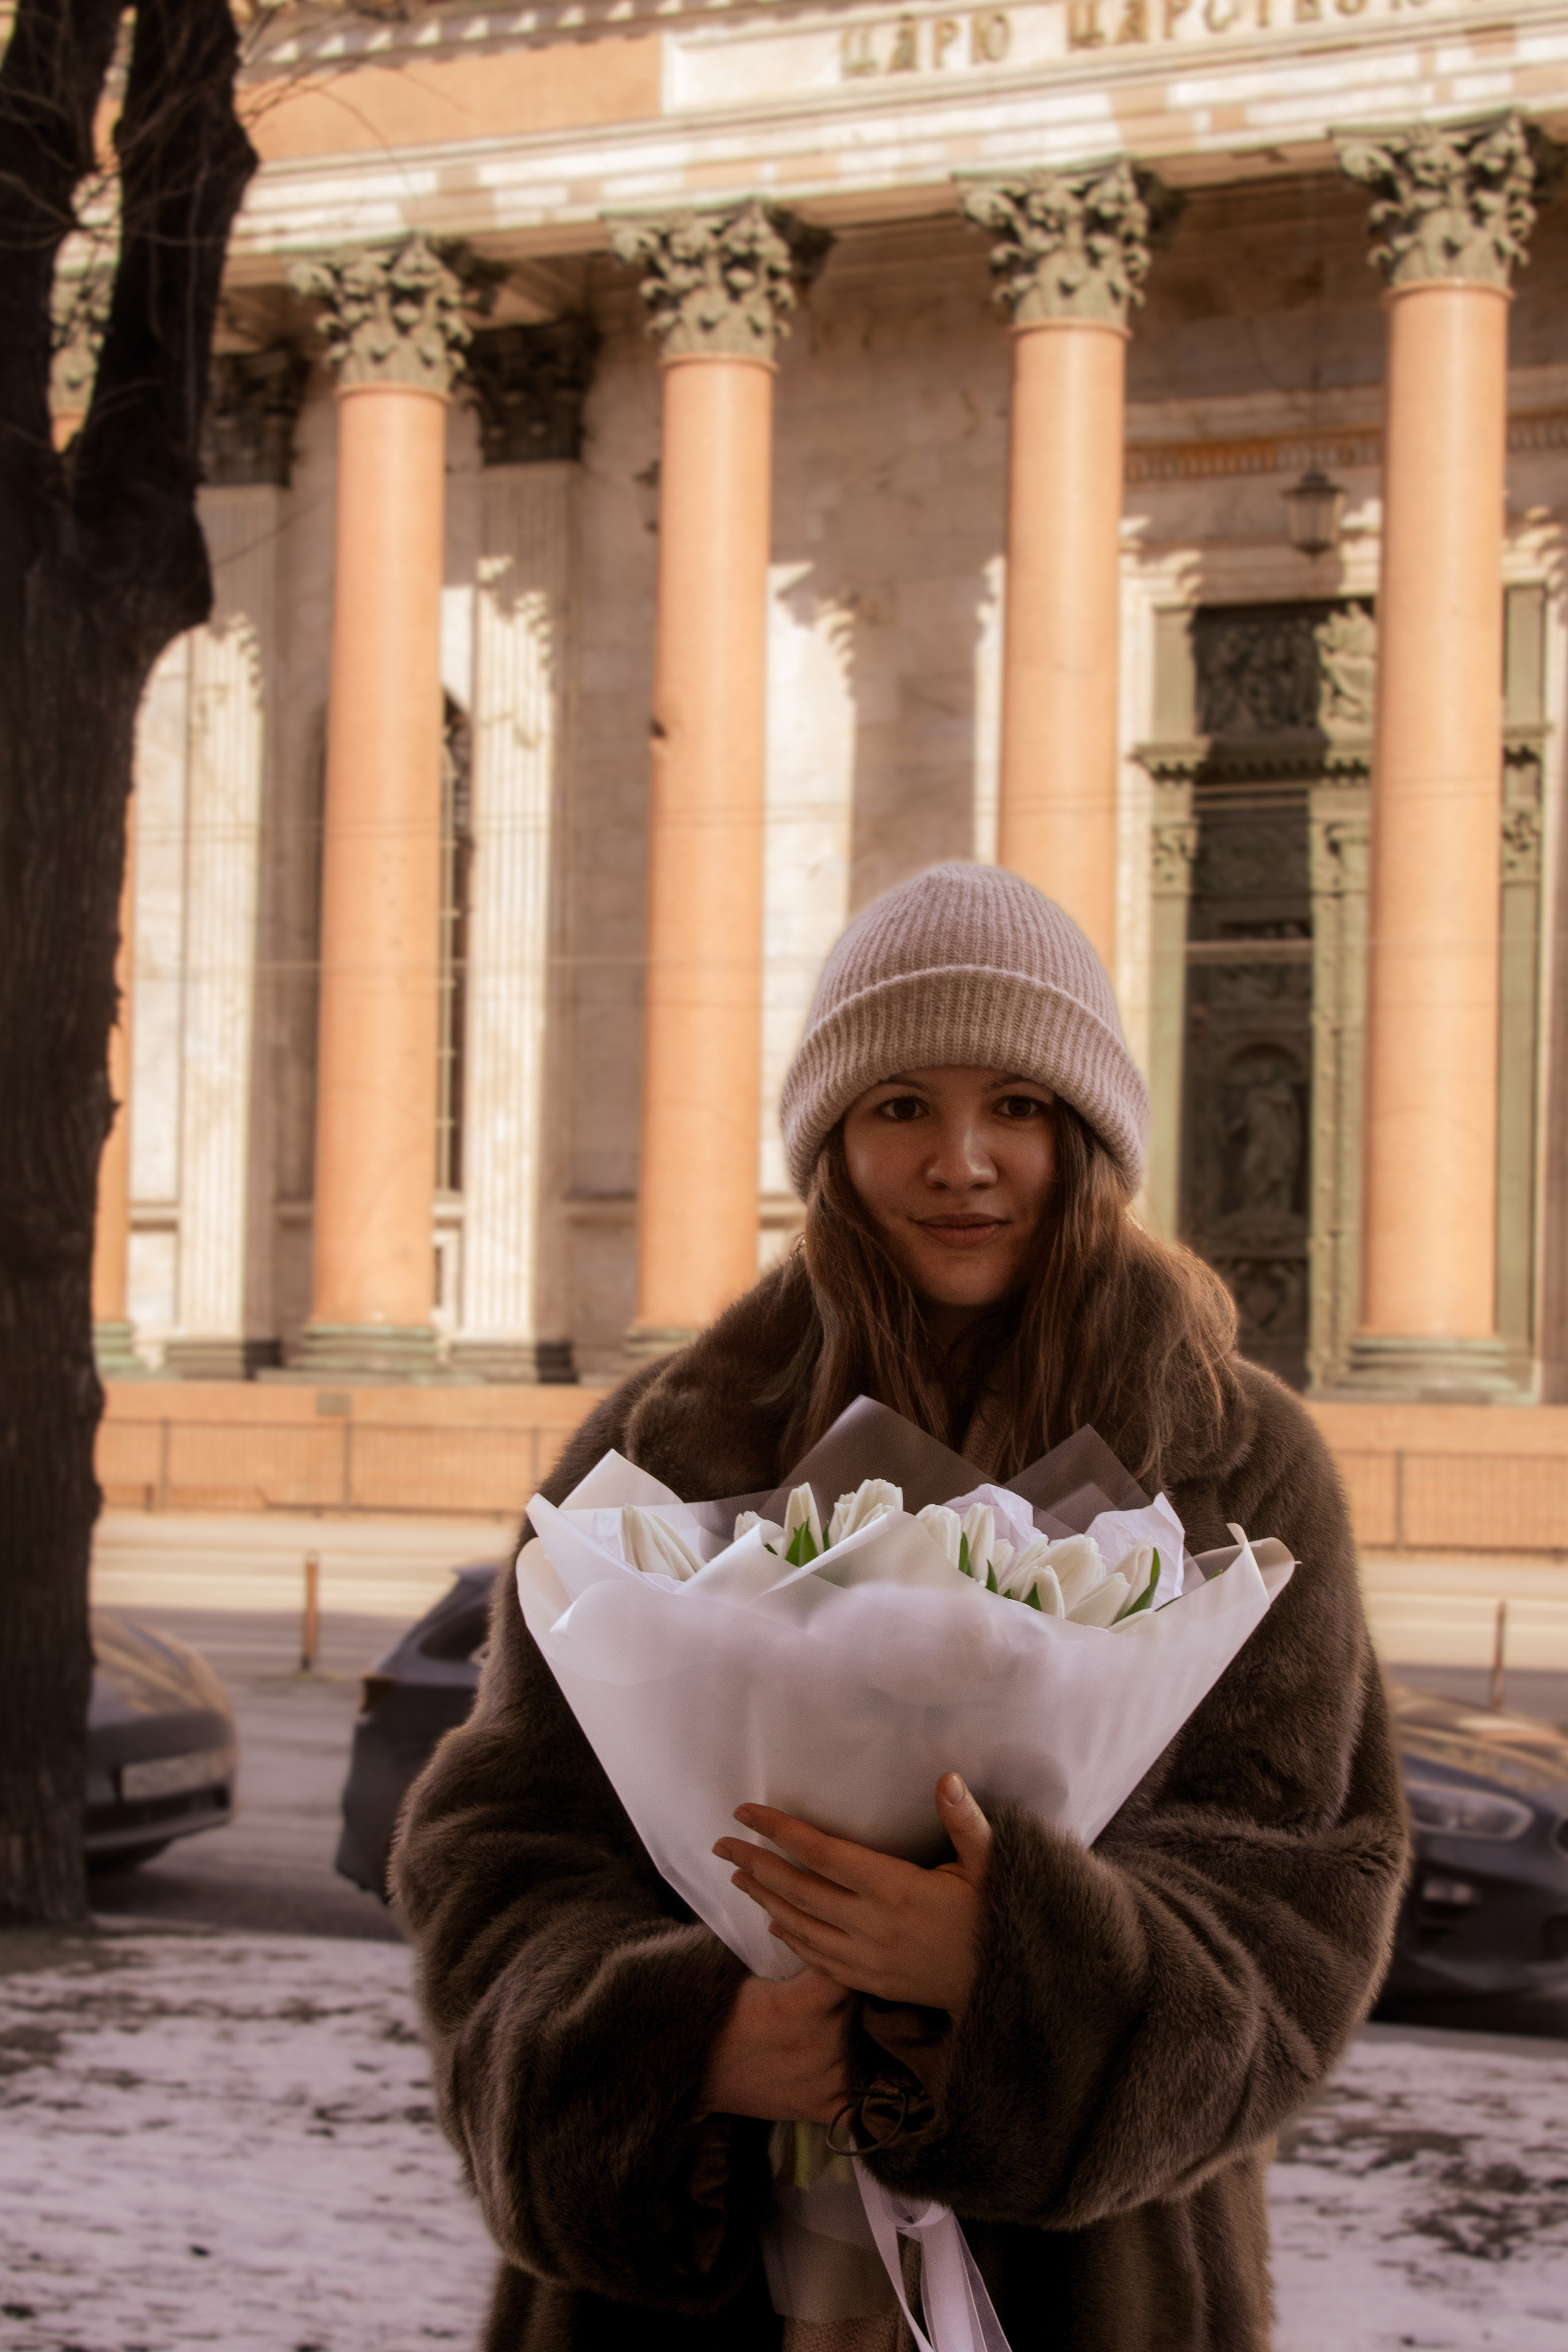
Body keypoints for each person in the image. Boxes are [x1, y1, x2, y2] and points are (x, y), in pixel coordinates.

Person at [394, 862, 1407, 2352]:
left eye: (1014, 1105)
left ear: (1086, 1132)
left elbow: (1297, 1895)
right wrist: (687, 2044)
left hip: (1091, 2291)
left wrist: (1004, 1978)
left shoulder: (1235, 1467)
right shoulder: (673, 1443)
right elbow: (501, 1851)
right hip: (691, 2287)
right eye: (898, 1108)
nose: (961, 1161)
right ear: (830, 1140)